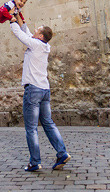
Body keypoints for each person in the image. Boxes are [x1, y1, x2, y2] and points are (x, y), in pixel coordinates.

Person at [9, 12, 71, 172]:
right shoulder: (44, 45)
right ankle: (62, 153)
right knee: (48, 123)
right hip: (45, 89)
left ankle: (35, 162)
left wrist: (12, 21)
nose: (35, 31)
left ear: (41, 36)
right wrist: (20, 16)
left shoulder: (35, 44)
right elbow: (28, 33)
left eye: (38, 30)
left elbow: (20, 35)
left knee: (31, 128)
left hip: (34, 90)